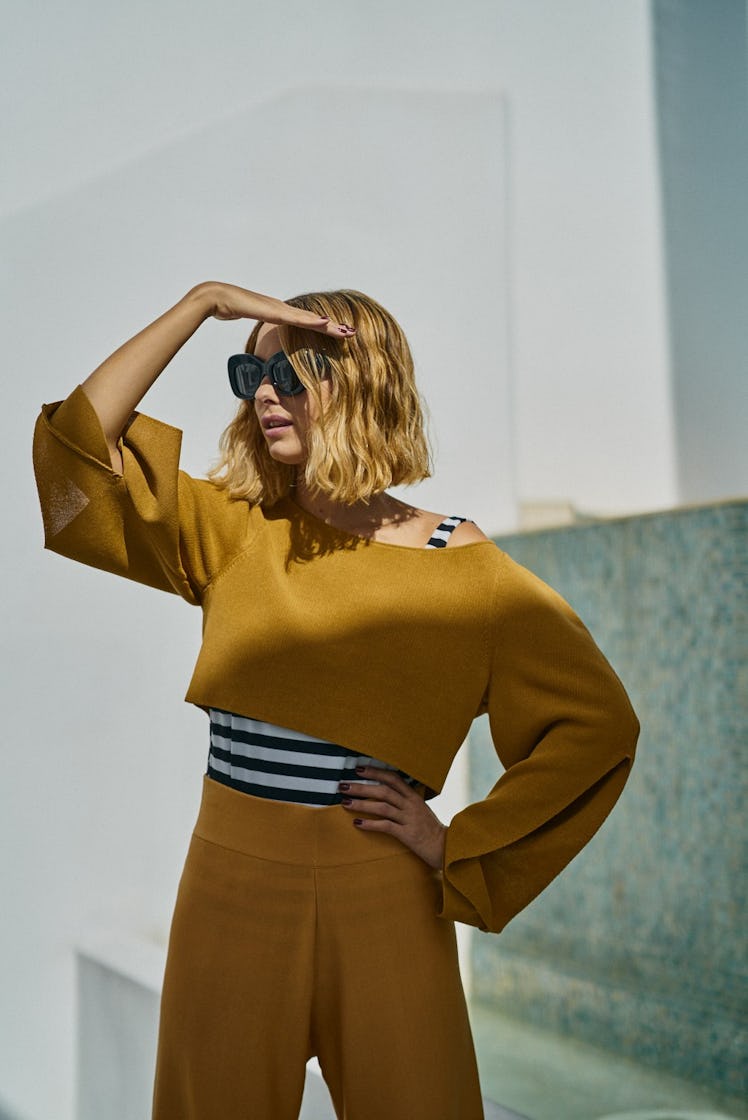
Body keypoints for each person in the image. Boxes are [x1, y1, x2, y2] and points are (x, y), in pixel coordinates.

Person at [32, 280, 639, 1120]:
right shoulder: (236, 525)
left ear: (357, 382)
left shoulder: (461, 565)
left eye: (288, 376)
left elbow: (597, 726)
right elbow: (74, 449)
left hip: (384, 894)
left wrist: (459, 843)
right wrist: (202, 305)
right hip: (230, 887)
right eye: (251, 381)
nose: (265, 399)